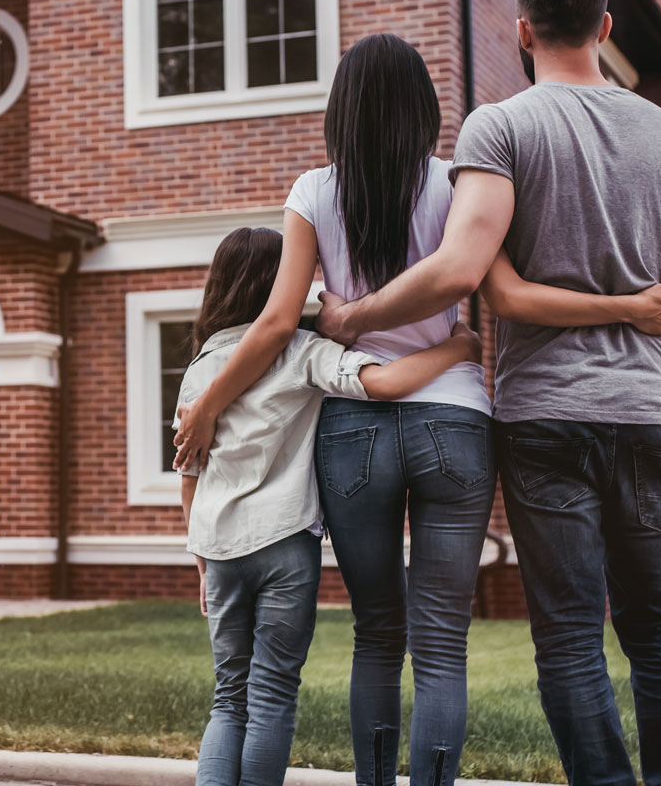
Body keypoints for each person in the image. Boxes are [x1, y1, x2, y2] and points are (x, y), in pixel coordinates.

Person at [174, 32, 661, 786]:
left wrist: (210, 403)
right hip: (455, 423)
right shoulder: (460, 184)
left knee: (378, 635)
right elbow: (496, 287)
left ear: (340, 111)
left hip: (353, 433)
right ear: (425, 108)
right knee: (442, 644)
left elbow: (279, 324)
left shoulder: (313, 193)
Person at [303, 0, 661, 786]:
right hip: (648, 412)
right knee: (660, 632)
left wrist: (352, 316)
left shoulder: (499, 127)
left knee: (571, 637)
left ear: (522, 31)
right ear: (606, 28)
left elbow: (466, 272)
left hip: (542, 417)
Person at [177, 224, 482, 786]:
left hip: (218, 552)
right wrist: (458, 347)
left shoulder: (200, 370)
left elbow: (189, 477)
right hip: (284, 548)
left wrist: (202, 562)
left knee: (229, 696)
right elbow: (385, 384)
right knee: (270, 694)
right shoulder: (300, 352)